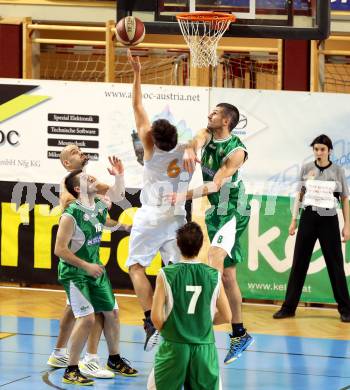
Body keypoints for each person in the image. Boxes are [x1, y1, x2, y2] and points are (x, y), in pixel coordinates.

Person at [166, 103, 253, 364]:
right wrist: (191, 149)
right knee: (227, 276)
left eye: (215, 113)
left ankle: (202, 322)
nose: (209, 115)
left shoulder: (237, 151)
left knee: (213, 261)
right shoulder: (208, 134)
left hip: (234, 208)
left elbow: (215, 186)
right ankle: (239, 333)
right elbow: (197, 138)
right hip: (218, 211)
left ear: (226, 120)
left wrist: (183, 195)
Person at [47, 144, 136, 378]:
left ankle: (64, 352)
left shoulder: (91, 191)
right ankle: (85, 360)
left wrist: (118, 178)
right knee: (86, 316)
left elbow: (115, 197)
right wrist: (90, 203)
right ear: (68, 163)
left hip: (93, 264)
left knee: (91, 312)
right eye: (74, 152)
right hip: (77, 265)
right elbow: (71, 206)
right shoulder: (70, 190)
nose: (81, 152)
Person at [127, 50, 193, 352]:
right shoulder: (186, 151)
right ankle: (178, 322)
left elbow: (138, 106)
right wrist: (192, 144)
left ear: (151, 138)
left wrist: (138, 72)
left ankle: (150, 321)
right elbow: (202, 136)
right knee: (175, 271)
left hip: (151, 216)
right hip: (177, 217)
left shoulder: (150, 150)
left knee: (137, 268)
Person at [273, 134, 350, 322]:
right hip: (308, 217)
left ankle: (346, 309)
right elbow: (299, 195)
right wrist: (294, 220)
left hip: (329, 218)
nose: (319, 152)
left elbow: (345, 198)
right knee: (299, 262)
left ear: (329, 151)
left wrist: (347, 225)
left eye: (322, 149)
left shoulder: (338, 171)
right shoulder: (306, 169)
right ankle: (288, 307)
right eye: (316, 149)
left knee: (335, 264)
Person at [147, 222, 231, 390]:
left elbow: (156, 318)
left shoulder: (166, 273)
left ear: (177, 244)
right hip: (204, 349)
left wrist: (174, 332)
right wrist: (203, 320)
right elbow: (227, 316)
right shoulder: (214, 275)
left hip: (174, 347)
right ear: (201, 245)